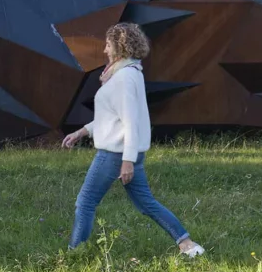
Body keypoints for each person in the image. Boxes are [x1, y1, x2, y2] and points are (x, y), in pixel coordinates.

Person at [62, 22, 205, 257]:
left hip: (116, 153)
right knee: (146, 203)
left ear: (119, 46)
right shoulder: (129, 73)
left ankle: (75, 254)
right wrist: (81, 132)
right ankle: (188, 245)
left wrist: (127, 161)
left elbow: (130, 120)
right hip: (127, 151)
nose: (105, 51)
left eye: (108, 45)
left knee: (85, 202)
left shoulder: (125, 78)